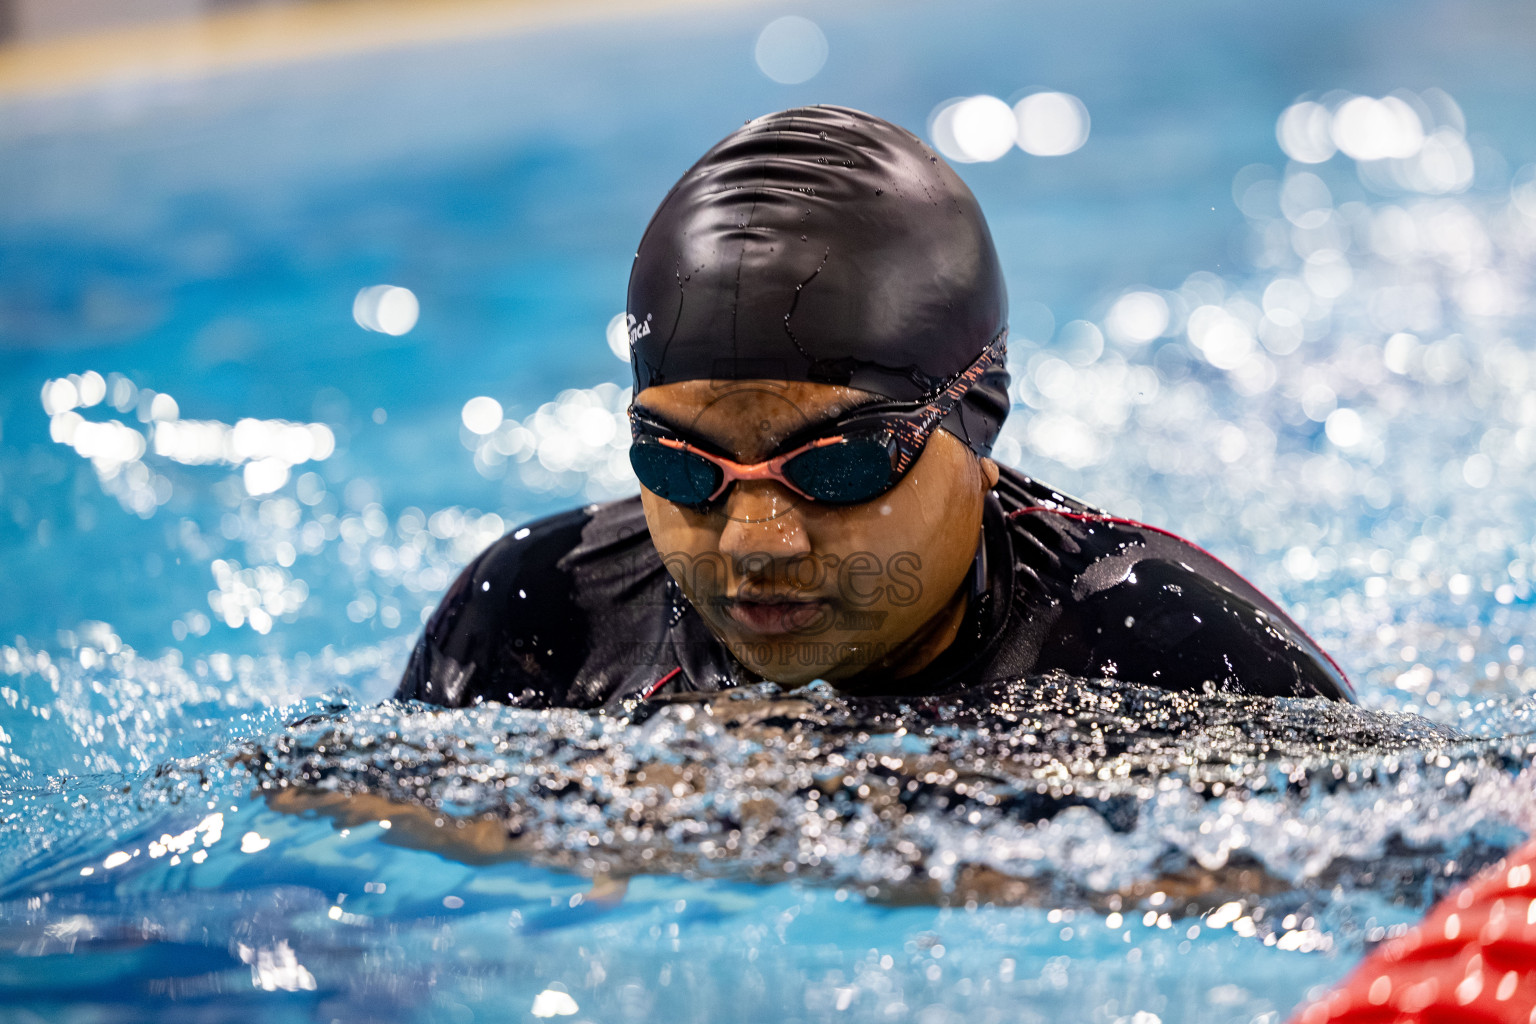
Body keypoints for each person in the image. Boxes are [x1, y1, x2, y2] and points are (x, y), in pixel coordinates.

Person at [396, 105, 1352, 709]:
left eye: (837, 464)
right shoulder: (539, 619)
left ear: (977, 419)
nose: (754, 544)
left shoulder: (1175, 655)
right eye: (681, 466)